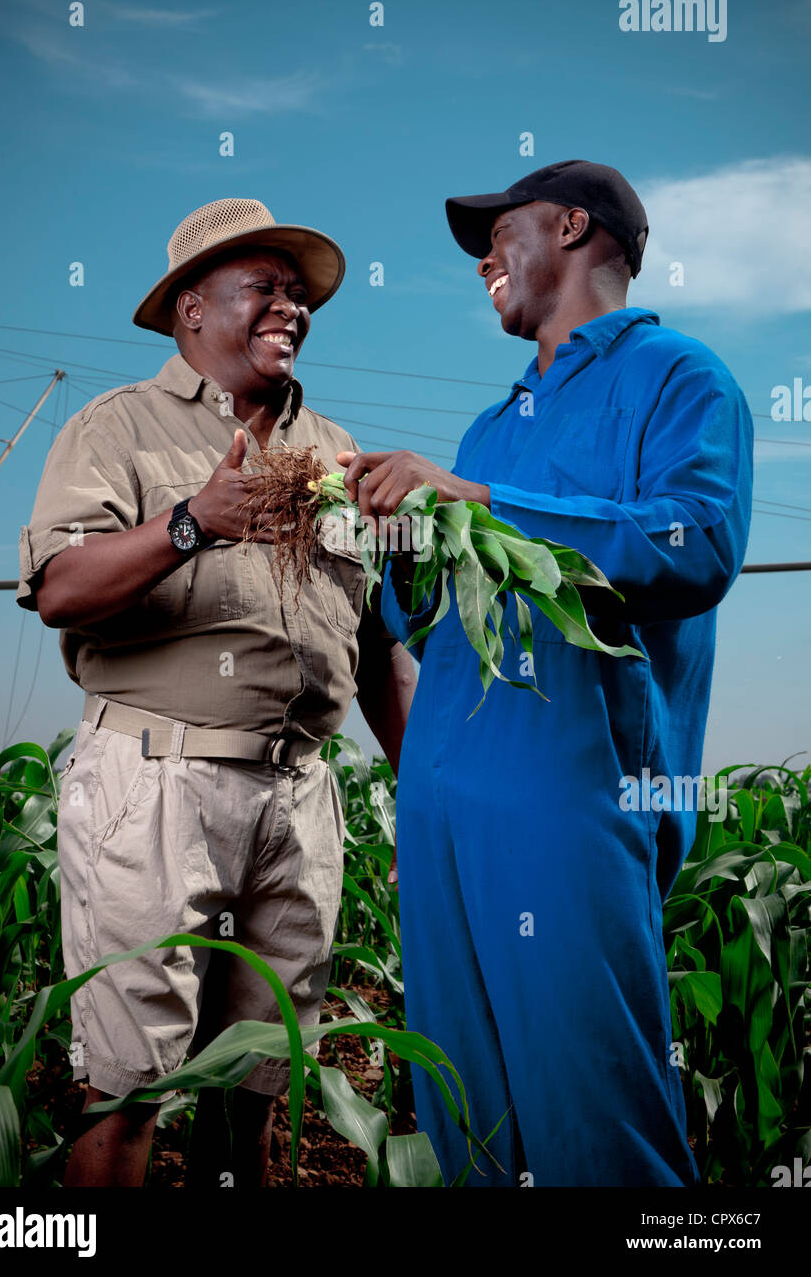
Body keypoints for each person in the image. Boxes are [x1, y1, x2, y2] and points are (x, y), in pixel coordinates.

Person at [337, 159, 753, 1186]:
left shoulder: (678, 378)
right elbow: (424, 625)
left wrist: (470, 498)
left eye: (499, 229)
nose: (483, 256)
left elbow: (692, 544)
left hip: (570, 804)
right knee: (463, 1115)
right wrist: (400, 544)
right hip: (441, 809)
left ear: (574, 226)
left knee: (592, 1123)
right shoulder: (488, 425)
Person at [16, 196, 416, 1187]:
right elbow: (60, 590)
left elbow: (374, 653)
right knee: (127, 1082)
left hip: (297, 798)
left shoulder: (332, 453)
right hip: (155, 784)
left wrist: (425, 794)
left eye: (297, 294)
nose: (290, 308)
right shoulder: (118, 429)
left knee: (263, 1079)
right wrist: (192, 521)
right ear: (191, 308)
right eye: (263, 289)